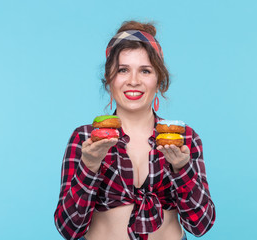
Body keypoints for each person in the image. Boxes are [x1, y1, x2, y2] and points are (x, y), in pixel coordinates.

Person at [54, 20, 216, 240]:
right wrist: (89, 167)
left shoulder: (184, 138)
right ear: (109, 78)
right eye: (123, 70)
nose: (133, 81)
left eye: (145, 71)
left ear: (159, 79)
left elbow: (201, 225)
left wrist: (181, 168)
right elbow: (69, 229)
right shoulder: (85, 138)